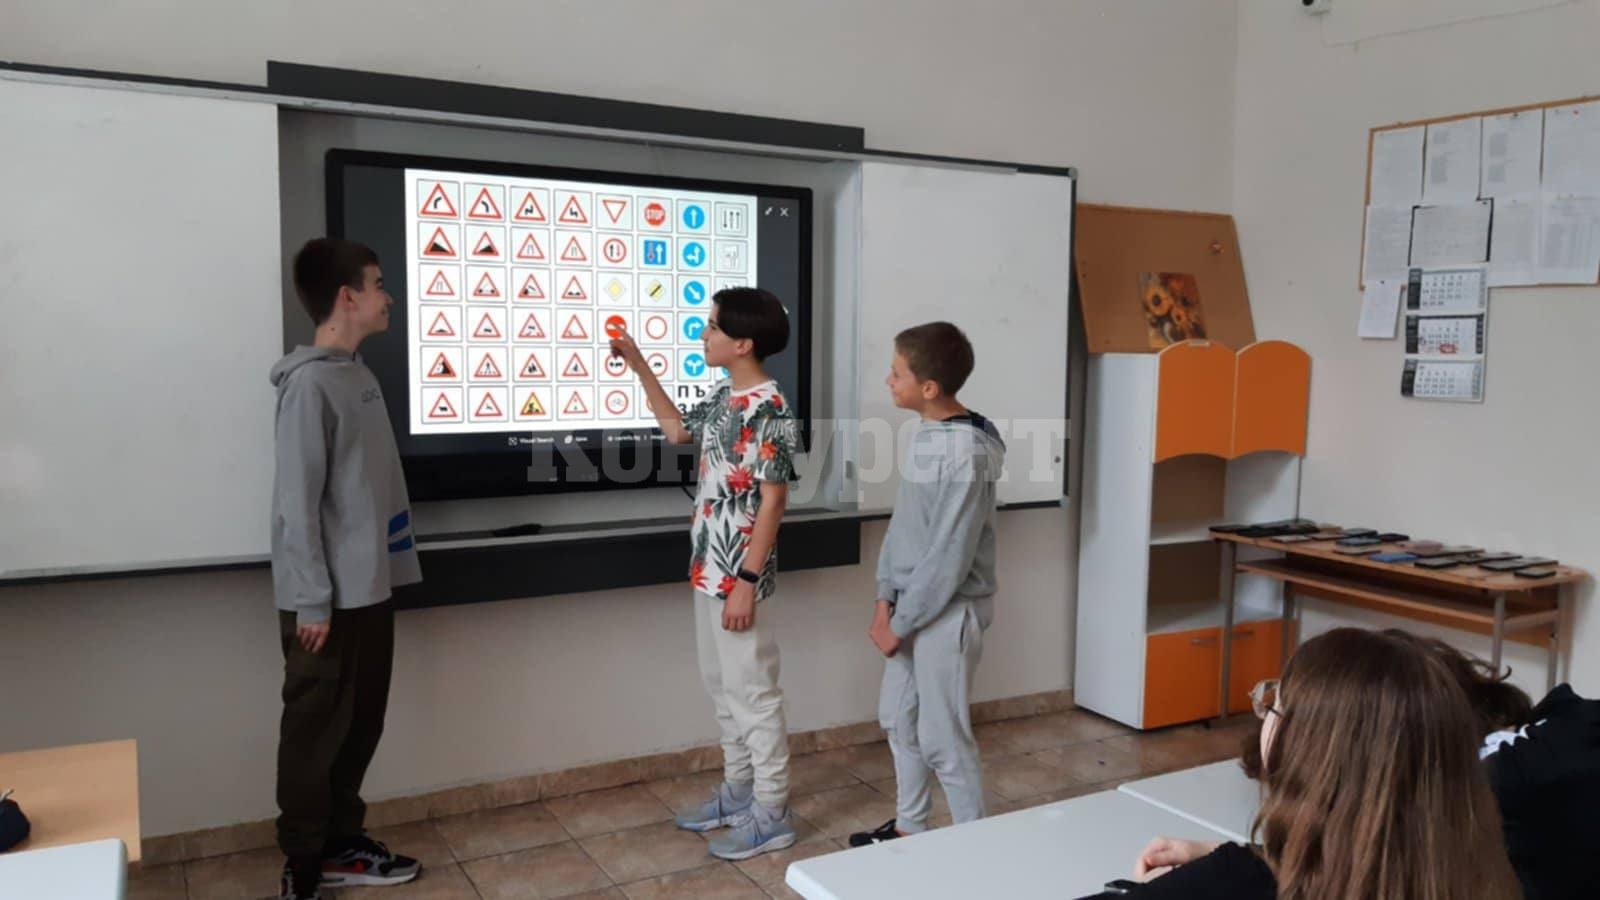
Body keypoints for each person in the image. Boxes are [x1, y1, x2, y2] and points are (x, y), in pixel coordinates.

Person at [610, 287, 800, 860]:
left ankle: (772, 811)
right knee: (723, 688)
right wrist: (639, 365)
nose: (704, 333)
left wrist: (746, 582)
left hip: (739, 577)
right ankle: (739, 792)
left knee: (754, 694)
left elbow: (774, 502)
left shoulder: (770, 409)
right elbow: (676, 433)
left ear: (743, 343)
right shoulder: (725, 395)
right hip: (708, 568)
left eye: (713, 326)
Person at [1119, 628, 1521, 899]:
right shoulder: (1478, 874)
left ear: (1312, 749)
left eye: (1276, 704)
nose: (1265, 712)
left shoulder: (1238, 882)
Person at [270, 238, 422, 900]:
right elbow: (296, 503)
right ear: (346, 296)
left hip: (370, 590)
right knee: (315, 734)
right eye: (379, 284)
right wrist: (311, 600)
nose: (388, 297)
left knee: (360, 726)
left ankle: (340, 844)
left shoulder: (357, 375)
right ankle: (304, 865)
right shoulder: (308, 386)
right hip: (326, 605)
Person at [849, 322, 1005, 847]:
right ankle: (909, 828)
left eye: (897, 373)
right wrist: (884, 599)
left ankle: (973, 850)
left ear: (930, 387)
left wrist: (903, 622)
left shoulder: (967, 452)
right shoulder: (929, 434)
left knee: (944, 738)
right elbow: (906, 527)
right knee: (898, 719)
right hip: (911, 607)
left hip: (949, 610)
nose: (888, 380)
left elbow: (949, 556)